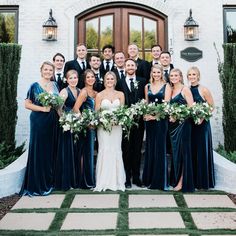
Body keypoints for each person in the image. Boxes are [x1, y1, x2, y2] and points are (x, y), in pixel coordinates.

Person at [20, 61, 59, 196]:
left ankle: (48, 181)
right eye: (46, 70)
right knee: (39, 150)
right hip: (38, 121)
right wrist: (43, 108)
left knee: (50, 150)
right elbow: (27, 104)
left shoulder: (55, 85)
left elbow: (58, 104)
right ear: (41, 70)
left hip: (52, 121)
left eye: (50, 70)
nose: (48, 72)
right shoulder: (34, 86)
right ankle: (37, 184)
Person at [116, 58, 146, 188]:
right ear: (125, 67)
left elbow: (146, 99)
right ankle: (127, 177)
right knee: (126, 149)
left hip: (139, 122)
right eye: (127, 65)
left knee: (137, 149)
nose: (130, 67)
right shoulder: (120, 82)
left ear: (136, 67)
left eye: (132, 65)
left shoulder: (143, 81)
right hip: (125, 122)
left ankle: (136, 177)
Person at [94, 71, 126, 191]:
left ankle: (117, 180)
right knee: (105, 150)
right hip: (103, 128)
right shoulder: (100, 95)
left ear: (115, 80)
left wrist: (118, 120)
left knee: (116, 149)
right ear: (104, 80)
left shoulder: (120, 94)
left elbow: (122, 112)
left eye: (112, 79)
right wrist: (104, 121)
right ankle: (103, 181)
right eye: (107, 79)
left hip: (117, 127)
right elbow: (96, 113)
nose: (110, 81)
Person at [142, 64, 172, 190]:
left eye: (158, 72)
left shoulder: (167, 86)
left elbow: (166, 107)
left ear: (162, 73)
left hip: (161, 122)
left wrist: (154, 117)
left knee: (160, 148)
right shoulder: (147, 86)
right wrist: (146, 114)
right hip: (149, 123)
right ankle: (149, 178)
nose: (156, 74)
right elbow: (147, 104)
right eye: (154, 72)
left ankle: (160, 180)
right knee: (150, 147)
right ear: (151, 73)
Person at [187, 66, 215, 189]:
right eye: (189, 75)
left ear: (198, 76)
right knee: (192, 150)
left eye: (194, 74)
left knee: (202, 151)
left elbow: (211, 106)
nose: (192, 77)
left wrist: (203, 117)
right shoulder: (186, 89)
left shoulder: (204, 90)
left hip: (202, 125)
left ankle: (203, 181)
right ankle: (193, 180)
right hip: (190, 125)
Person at [169, 68, 194, 192]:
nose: (173, 77)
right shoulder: (171, 89)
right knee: (176, 152)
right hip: (172, 126)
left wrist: (178, 116)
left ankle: (182, 181)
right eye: (171, 75)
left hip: (183, 125)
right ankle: (175, 178)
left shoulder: (185, 89)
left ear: (180, 77)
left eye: (176, 75)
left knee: (184, 153)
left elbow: (191, 109)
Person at [54, 70, 80, 191]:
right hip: (66, 125)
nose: (73, 80)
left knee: (75, 151)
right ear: (67, 80)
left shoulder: (79, 91)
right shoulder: (64, 91)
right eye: (71, 78)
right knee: (67, 152)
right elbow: (58, 108)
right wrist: (65, 120)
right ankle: (65, 181)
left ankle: (74, 180)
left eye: (75, 78)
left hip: (77, 125)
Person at [73, 69, 97, 189]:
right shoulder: (84, 92)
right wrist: (85, 121)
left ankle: (89, 179)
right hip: (86, 127)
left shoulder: (96, 93)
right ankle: (85, 182)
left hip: (94, 127)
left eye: (92, 77)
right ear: (85, 79)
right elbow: (76, 108)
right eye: (88, 77)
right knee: (86, 153)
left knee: (90, 153)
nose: (91, 79)